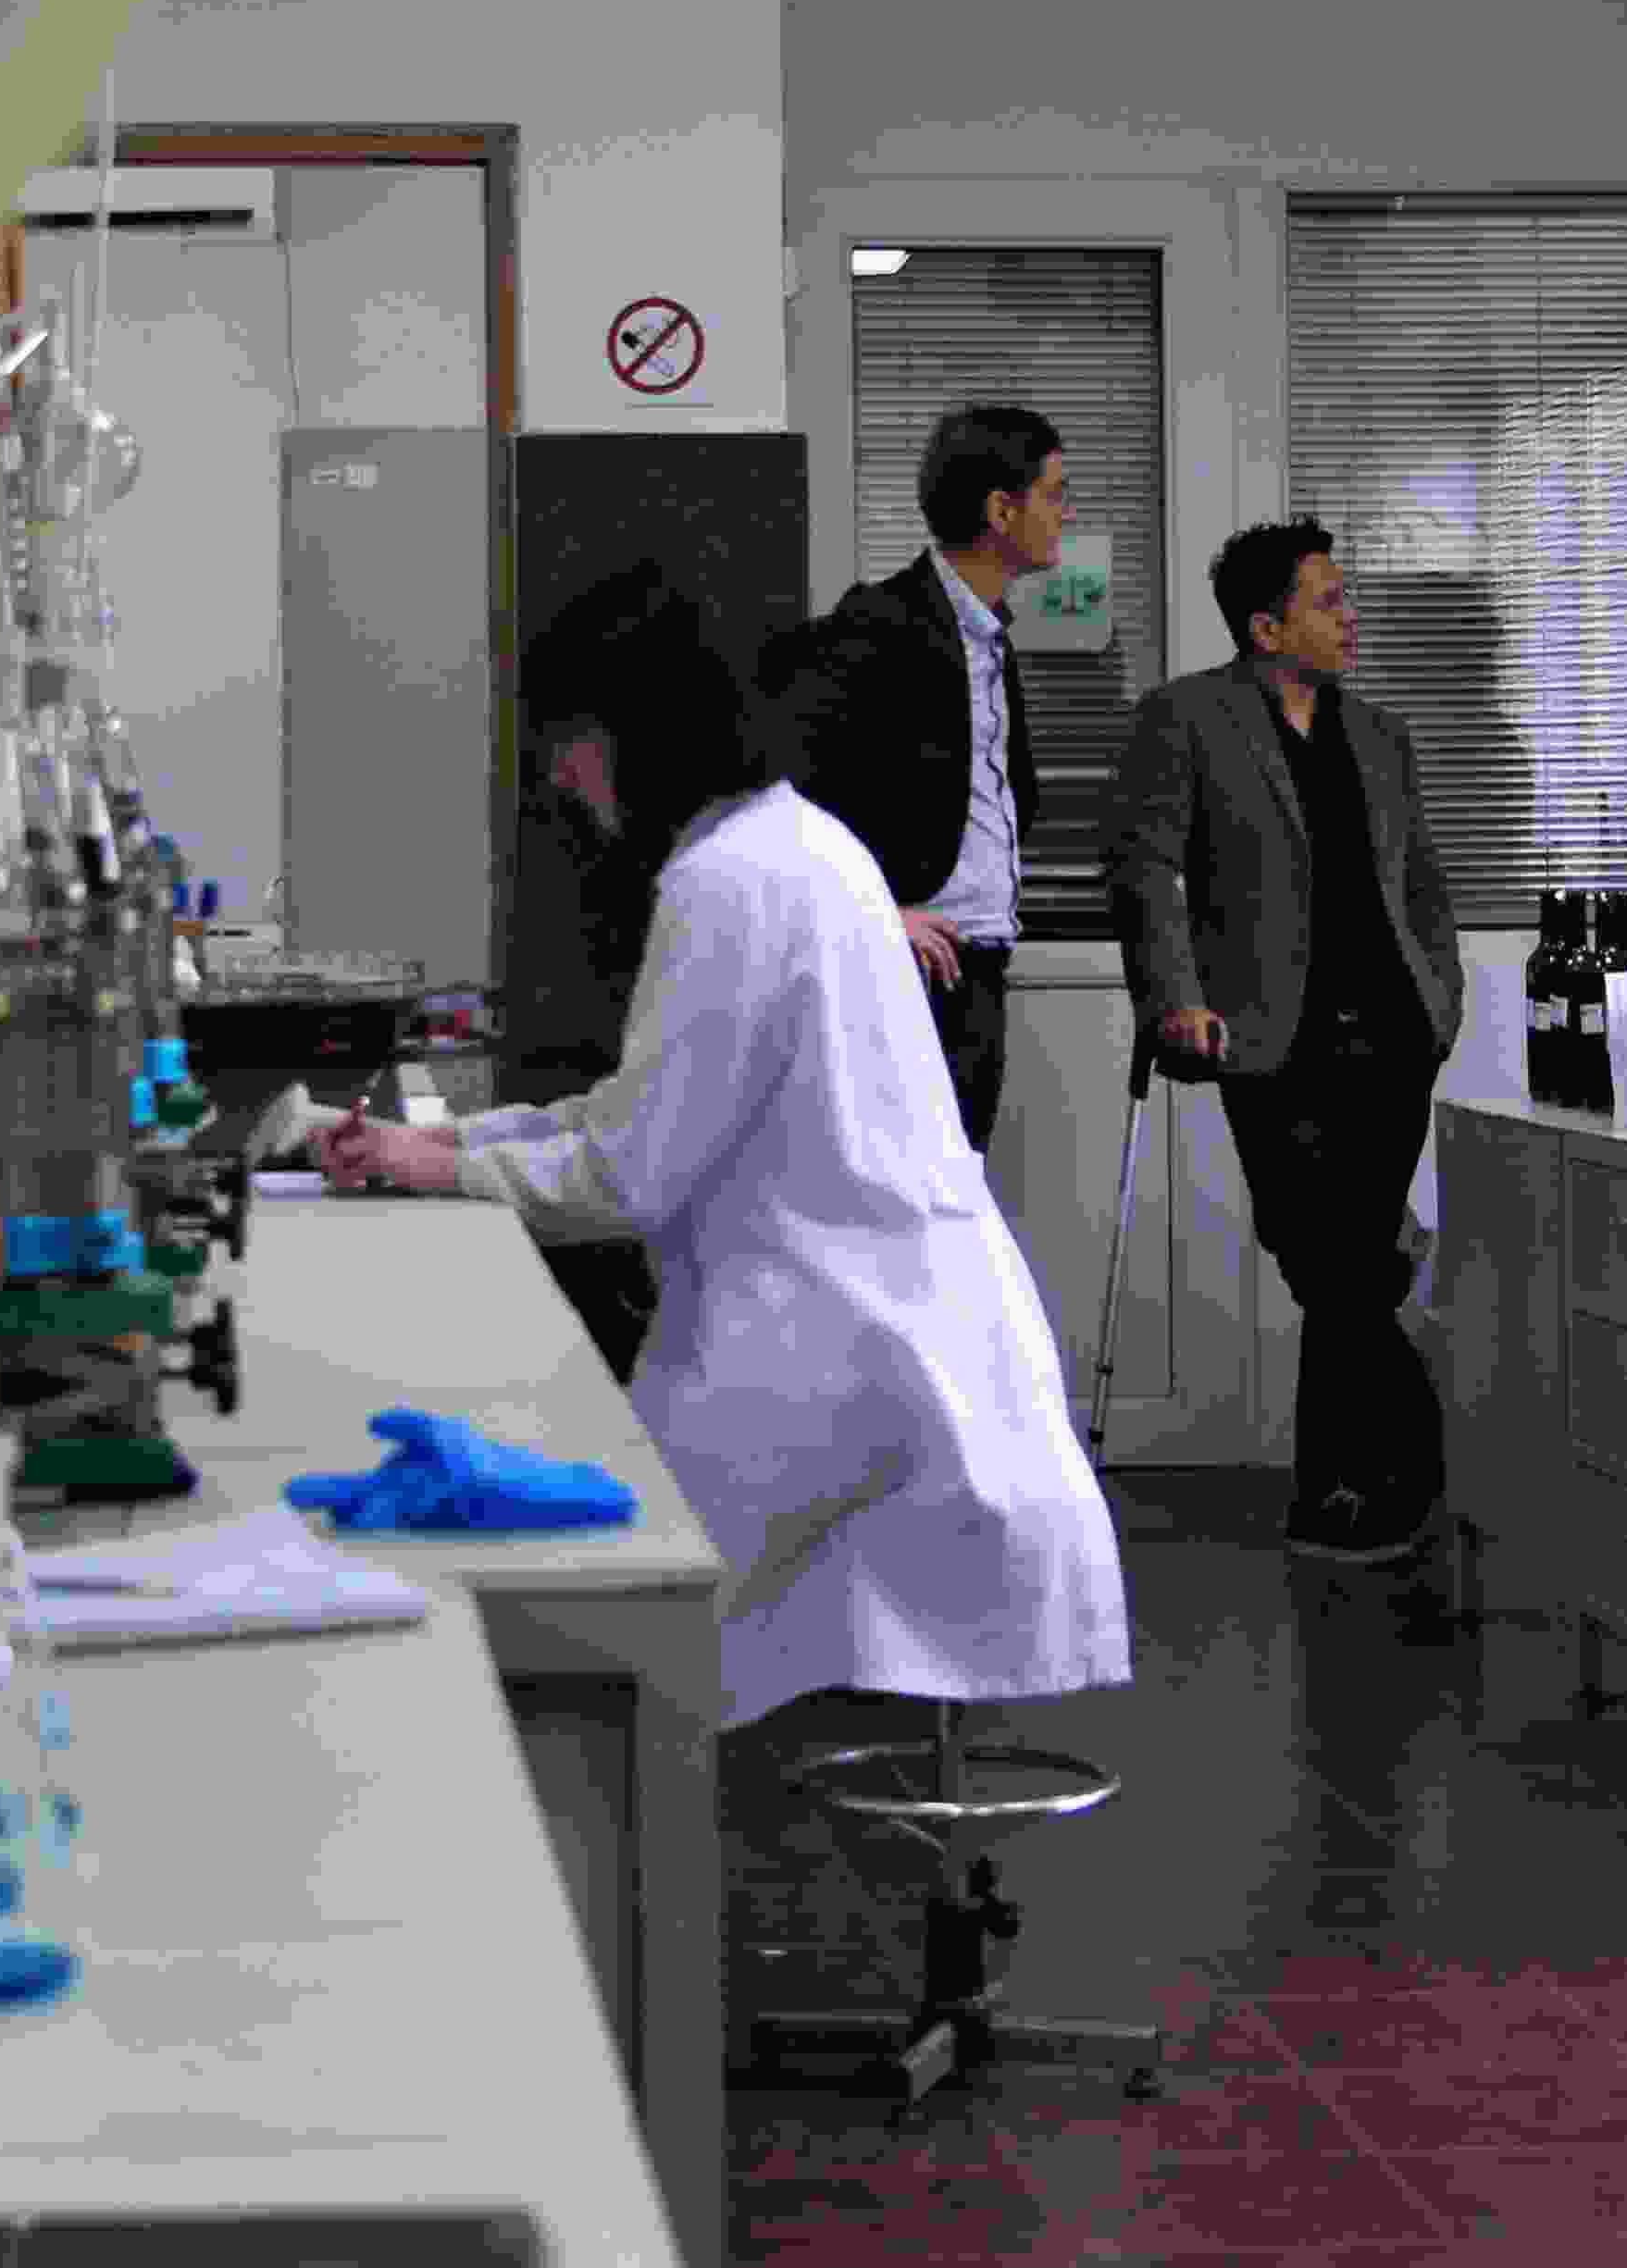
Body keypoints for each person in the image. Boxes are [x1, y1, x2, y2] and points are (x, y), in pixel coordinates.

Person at [319, 564, 1127, 1732]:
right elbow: (634, 1110)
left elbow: (630, 1172)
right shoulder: (796, 845)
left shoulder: (726, 882)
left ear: (631, 735)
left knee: (601, 1634)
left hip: (840, 1367)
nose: (558, 778)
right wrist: (436, 1143)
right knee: (616, 1593)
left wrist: (437, 1166)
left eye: (567, 743)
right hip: (893, 1341)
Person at [1102, 523, 1471, 1566]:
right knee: (1334, 1260)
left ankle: (1334, 1497)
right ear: (1267, 628)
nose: (1350, 617)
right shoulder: (1185, 718)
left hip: (1393, 1041)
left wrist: (1441, 1001)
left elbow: (1422, 884)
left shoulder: (1383, 735)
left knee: (1346, 1264)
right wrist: (1174, 999)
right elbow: (1145, 870)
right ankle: (1419, 1461)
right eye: (1328, 601)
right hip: (1272, 1038)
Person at [773, 403, 1066, 1155]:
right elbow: (785, 791)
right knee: (905, 1192)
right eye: (1054, 494)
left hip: (979, 964)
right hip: (909, 971)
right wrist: (879, 912)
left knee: (956, 1183)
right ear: (1002, 510)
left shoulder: (990, 635)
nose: (1065, 514)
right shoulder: (882, 624)